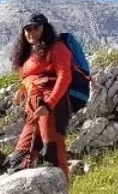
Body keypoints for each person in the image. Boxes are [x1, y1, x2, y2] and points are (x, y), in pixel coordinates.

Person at [8, 13, 73, 181]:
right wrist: (22, 89)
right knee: (21, 155)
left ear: (45, 28)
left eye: (36, 28)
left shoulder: (57, 48)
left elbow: (65, 77)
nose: (31, 32)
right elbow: (29, 77)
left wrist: (49, 104)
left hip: (50, 106)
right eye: (27, 29)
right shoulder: (29, 53)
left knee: (53, 151)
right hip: (33, 109)